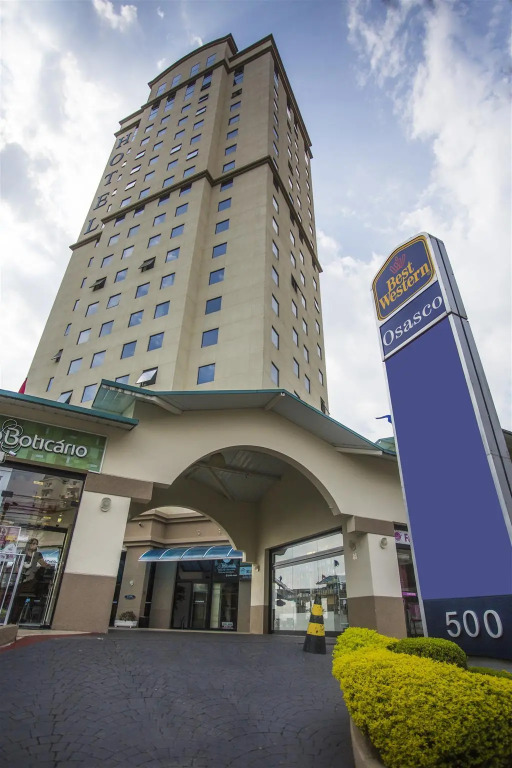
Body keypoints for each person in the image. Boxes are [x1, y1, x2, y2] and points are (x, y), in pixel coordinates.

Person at [9, 538, 54, 624]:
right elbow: (16, 565)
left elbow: (43, 563)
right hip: (20, 579)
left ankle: (16, 619)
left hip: (31, 580)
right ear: (29, 544)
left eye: (36, 544)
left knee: (23, 601)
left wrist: (48, 566)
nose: (34, 545)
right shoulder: (22, 553)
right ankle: (11, 618)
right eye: (33, 543)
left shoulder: (37, 555)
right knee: (16, 601)